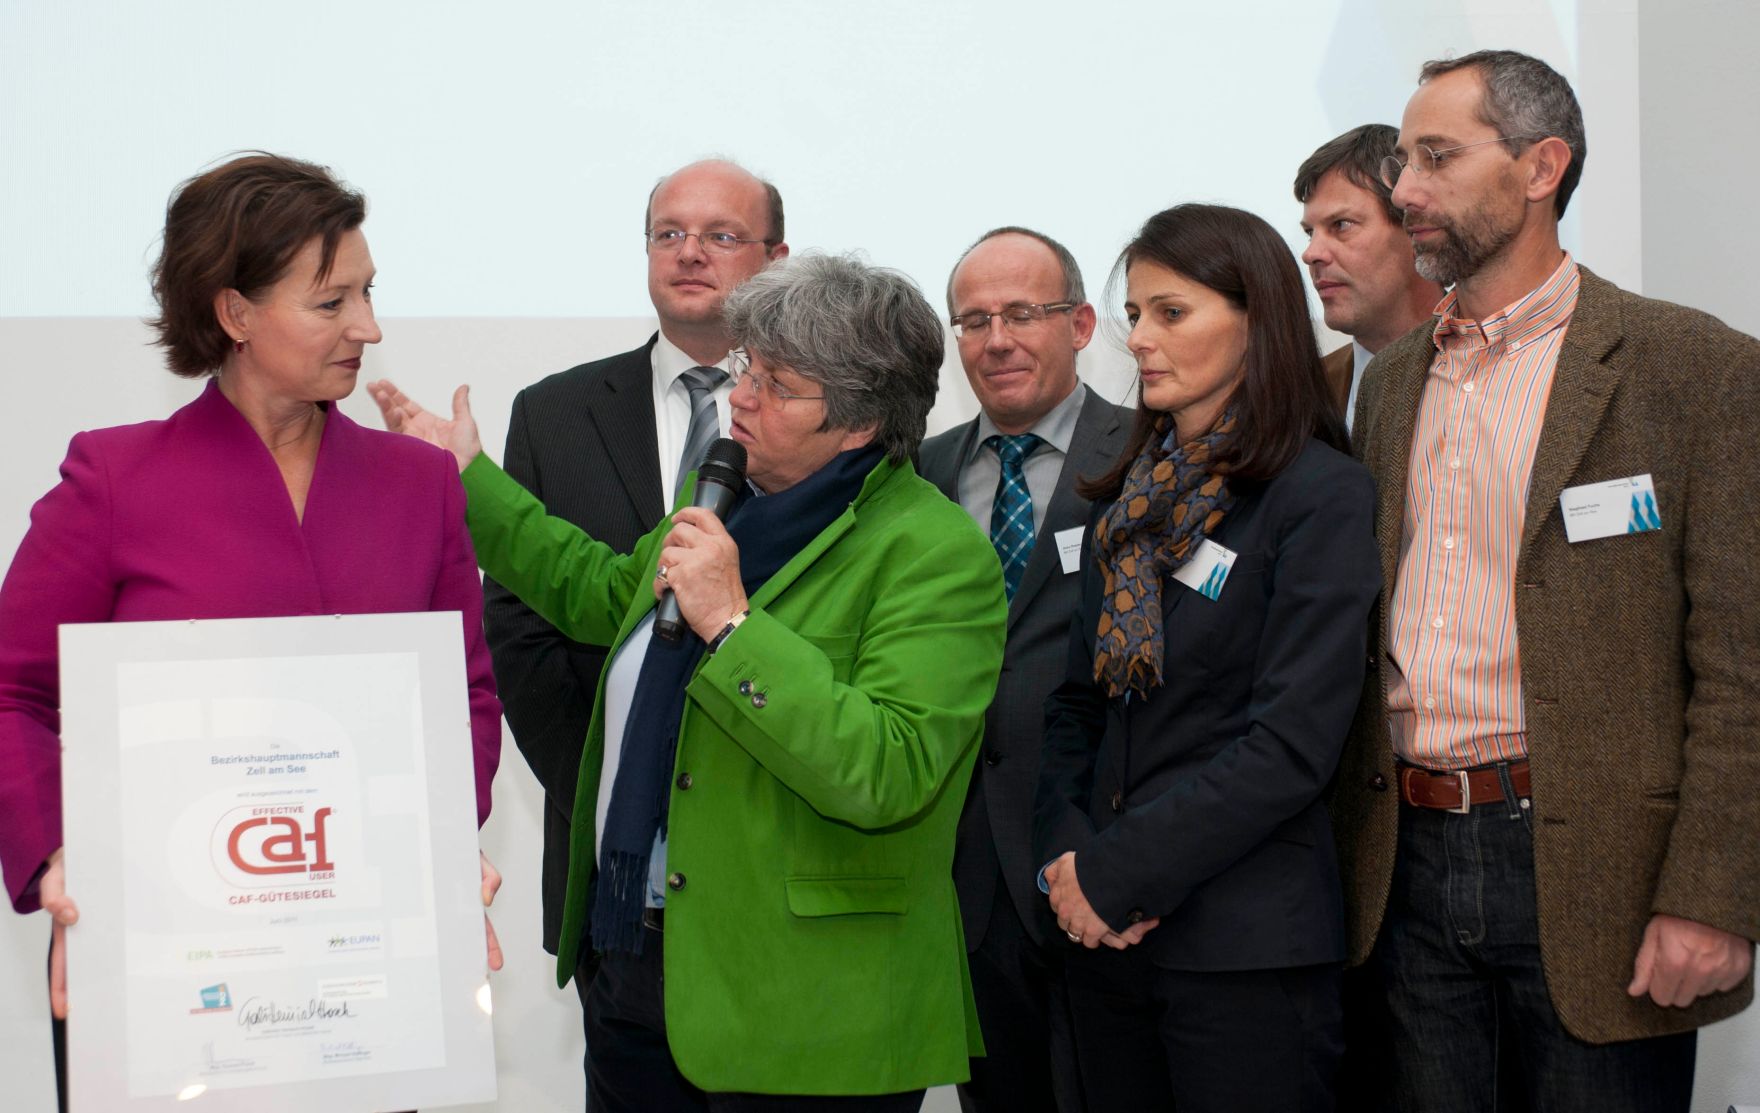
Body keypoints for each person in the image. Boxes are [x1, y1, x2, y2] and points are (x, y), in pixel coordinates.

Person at [371, 252, 1007, 1110]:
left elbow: (888, 767)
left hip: (808, 1005)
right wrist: (467, 480)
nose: (739, 396)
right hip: (641, 958)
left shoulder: (935, 553)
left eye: (777, 386)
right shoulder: (722, 499)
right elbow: (597, 593)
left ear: (856, 424)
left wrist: (734, 627)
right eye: (748, 367)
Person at [0, 153, 503, 1112]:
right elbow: (10, 689)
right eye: (332, 301)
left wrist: (439, 839)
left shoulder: (419, 483)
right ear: (234, 313)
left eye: (369, 292)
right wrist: (56, 858)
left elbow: (464, 696)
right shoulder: (114, 479)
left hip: (365, 964)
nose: (370, 326)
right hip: (163, 967)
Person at [1333, 49, 1759, 1113]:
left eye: (1435, 156)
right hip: (1405, 871)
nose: (1405, 189)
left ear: (1539, 168)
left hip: (1599, 883)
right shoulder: (1388, 385)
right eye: (1400, 158)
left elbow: (1742, 670)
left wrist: (1712, 898)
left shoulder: (1692, 369)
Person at [1034, 203, 1380, 1112]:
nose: (1141, 337)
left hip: (1242, 953)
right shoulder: (1125, 503)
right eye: (1135, 314)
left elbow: (1290, 746)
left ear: (1257, 320)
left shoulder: (1320, 495)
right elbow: (1076, 708)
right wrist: (1069, 863)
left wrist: (1119, 874)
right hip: (1102, 942)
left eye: (1170, 312)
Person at [480, 160, 788, 1077]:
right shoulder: (554, 411)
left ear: (777, 258)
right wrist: (615, 780)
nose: (689, 252)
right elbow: (523, 626)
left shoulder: (823, 420)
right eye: (668, 233)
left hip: (769, 859)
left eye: (721, 235)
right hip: (616, 868)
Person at [919, 226, 1128, 1113]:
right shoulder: (919, 475)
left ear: (1080, 324)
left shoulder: (1145, 455)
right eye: (973, 320)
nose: (995, 338)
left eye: (1022, 314)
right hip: (965, 883)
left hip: (1108, 862)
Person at [1293, 124, 1443, 430]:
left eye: (1341, 225)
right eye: (1310, 232)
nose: (1311, 254)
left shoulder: (1501, 371)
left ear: (1415, 229)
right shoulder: (1301, 400)